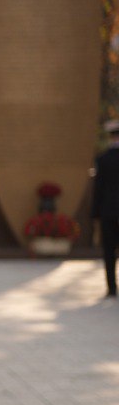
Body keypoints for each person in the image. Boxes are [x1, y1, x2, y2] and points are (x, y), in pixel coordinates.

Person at [93, 118, 119, 298]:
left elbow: (98, 189)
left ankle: (111, 287)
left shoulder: (103, 159)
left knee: (109, 250)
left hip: (108, 211)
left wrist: (95, 213)